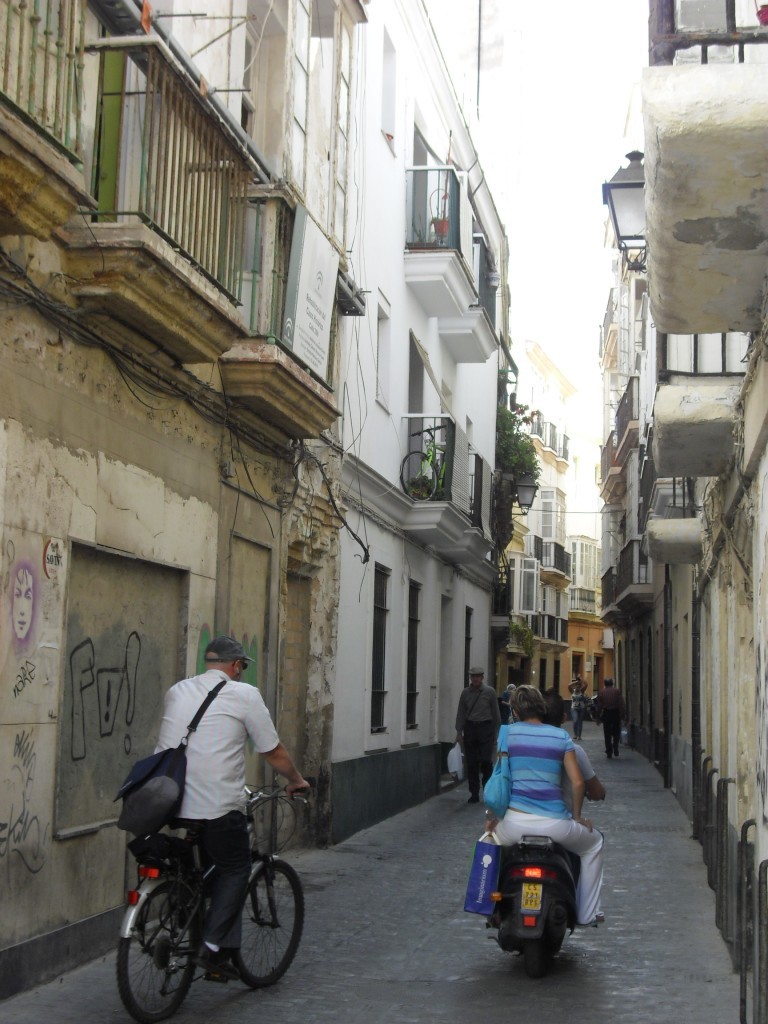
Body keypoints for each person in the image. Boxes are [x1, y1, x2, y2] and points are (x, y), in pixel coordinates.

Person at [155, 635, 310, 981]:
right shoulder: (244, 695)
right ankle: (210, 948)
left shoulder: (177, 691)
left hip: (169, 802)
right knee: (236, 867)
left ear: (207, 662)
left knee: (206, 866)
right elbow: (274, 752)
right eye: (241, 667)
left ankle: (190, 911)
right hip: (218, 806)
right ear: (237, 666)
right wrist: (296, 780)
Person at [487, 684, 604, 926]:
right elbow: (578, 783)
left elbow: (498, 781)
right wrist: (578, 817)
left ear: (516, 711)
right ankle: (587, 913)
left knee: (487, 845)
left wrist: (492, 817)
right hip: (556, 826)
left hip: (515, 824)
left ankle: (486, 904)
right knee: (594, 845)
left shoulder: (507, 734)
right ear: (541, 708)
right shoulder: (561, 737)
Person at [543, 688, 605, 806]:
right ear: (564, 718)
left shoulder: (520, 746)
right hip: (562, 818)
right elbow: (596, 792)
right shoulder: (574, 750)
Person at [455, 666, 501, 804]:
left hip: (486, 728)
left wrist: (498, 732)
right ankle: (474, 793)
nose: (475, 679)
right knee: (472, 762)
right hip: (470, 729)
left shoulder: (490, 692)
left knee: (486, 761)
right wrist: (459, 731)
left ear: (482, 677)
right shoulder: (465, 693)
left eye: (478, 676)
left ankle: (487, 790)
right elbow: (461, 713)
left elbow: (495, 713)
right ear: (470, 678)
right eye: (473, 676)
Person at [597, 677, 626, 759]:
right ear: (612, 683)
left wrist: (598, 716)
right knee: (616, 732)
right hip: (615, 713)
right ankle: (615, 746)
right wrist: (623, 714)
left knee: (607, 734)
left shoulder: (601, 692)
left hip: (606, 713)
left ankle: (609, 751)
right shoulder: (617, 691)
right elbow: (621, 703)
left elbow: (599, 706)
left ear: (605, 684)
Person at [568, 675, 588, 740]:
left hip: (581, 708)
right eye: (576, 686)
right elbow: (569, 685)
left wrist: (581, 679)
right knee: (575, 720)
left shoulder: (582, 691)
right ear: (575, 686)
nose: (577, 687)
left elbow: (586, 684)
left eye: (579, 686)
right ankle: (575, 734)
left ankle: (579, 736)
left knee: (580, 722)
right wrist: (576, 681)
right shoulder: (572, 691)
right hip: (574, 708)